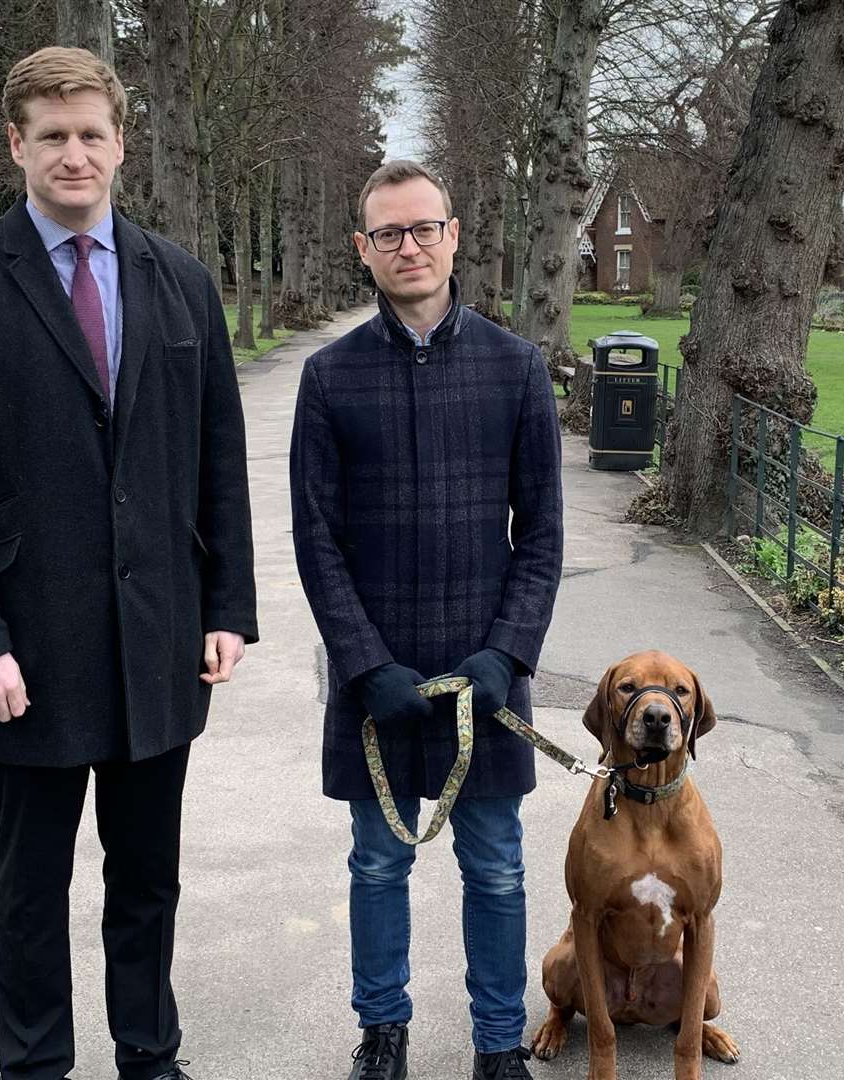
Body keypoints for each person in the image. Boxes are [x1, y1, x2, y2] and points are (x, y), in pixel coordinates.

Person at [0, 46, 257, 1080]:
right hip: (24, 652)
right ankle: (37, 1066)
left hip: (160, 642)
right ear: (16, 144)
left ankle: (149, 1052)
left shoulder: (179, 282)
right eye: (51, 135)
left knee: (149, 877)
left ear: (121, 145)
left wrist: (226, 605)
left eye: (91, 133)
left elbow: (215, 460)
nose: (73, 153)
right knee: (31, 884)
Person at [289, 160, 563, 1080]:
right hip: (378, 680)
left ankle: (496, 1045)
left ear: (453, 238)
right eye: (387, 235)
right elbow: (315, 539)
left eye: (423, 229)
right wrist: (363, 665)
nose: (408, 248)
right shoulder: (329, 378)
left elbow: (543, 534)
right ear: (362, 250)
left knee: (496, 868)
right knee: (376, 865)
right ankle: (383, 1032)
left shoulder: (516, 368)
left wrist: (508, 652)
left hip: (482, 674)